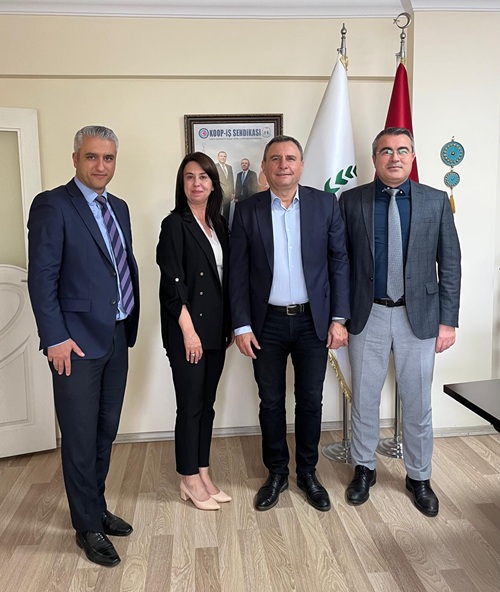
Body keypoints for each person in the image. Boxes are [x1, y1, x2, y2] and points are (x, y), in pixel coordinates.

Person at [27, 125, 140, 567]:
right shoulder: (53, 204)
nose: (100, 165)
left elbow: (116, 267)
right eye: (91, 156)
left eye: (108, 158)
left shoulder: (119, 207)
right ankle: (87, 526)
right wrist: (54, 337)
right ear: (75, 158)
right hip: (73, 343)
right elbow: (42, 278)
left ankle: (96, 506)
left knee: (105, 430)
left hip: (115, 334)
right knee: (78, 436)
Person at [340, 127, 461, 517]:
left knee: (418, 402)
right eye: (386, 151)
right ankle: (364, 468)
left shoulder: (435, 201)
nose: (395, 157)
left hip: (420, 317)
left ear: (412, 157)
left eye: (402, 150)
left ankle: (419, 476)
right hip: (367, 314)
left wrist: (448, 321)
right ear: (374, 158)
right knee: (365, 399)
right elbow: (340, 263)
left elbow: (450, 264)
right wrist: (339, 316)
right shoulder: (351, 200)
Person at [229, 135, 350, 512]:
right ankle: (277, 473)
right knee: (270, 402)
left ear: (301, 165)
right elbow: (237, 271)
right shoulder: (246, 210)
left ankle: (308, 473)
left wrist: (339, 318)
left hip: (314, 323)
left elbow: (339, 263)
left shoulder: (325, 204)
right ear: (265, 167)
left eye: (291, 158)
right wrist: (241, 325)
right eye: (276, 158)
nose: (284, 164)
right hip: (266, 324)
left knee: (310, 400)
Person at [157, 152, 232, 511]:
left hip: (216, 330)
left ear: (214, 184)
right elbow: (172, 285)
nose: (197, 183)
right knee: (189, 406)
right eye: (189, 177)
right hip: (188, 331)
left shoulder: (219, 224)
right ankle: (188, 478)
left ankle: (203, 470)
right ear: (182, 184)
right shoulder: (175, 224)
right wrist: (189, 333)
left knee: (207, 405)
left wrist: (227, 328)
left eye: (203, 177)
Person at [223, 158, 259, 227]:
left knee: (247, 217)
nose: (244, 165)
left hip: (248, 198)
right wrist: (236, 197)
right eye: (242, 163)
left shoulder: (252, 174)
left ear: (248, 165)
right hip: (239, 199)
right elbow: (237, 186)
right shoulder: (239, 174)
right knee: (238, 217)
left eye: (245, 163)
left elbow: (255, 187)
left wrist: (252, 199)